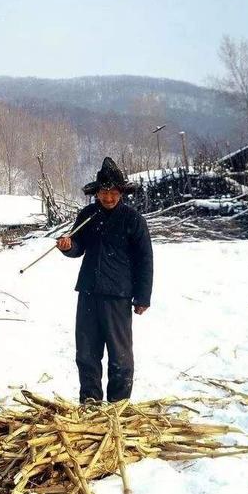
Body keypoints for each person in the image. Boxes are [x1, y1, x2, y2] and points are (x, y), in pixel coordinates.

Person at [57, 157, 153, 403]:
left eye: (113, 192)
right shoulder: (88, 215)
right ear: (96, 193)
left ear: (121, 192)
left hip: (118, 296)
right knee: (87, 354)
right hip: (88, 292)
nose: (108, 198)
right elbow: (78, 246)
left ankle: (118, 407)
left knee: (120, 356)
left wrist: (142, 297)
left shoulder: (133, 220)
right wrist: (68, 246)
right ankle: (90, 403)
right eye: (103, 192)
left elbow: (145, 260)